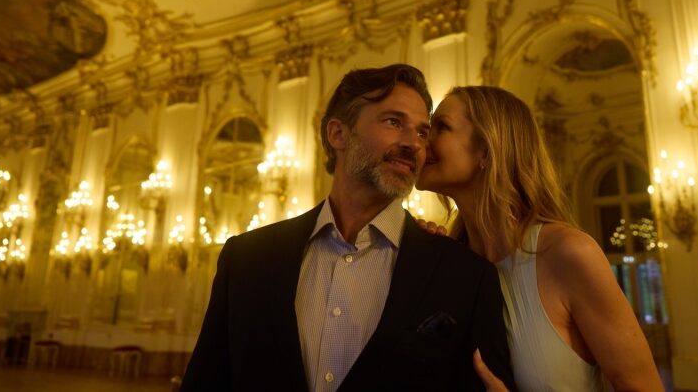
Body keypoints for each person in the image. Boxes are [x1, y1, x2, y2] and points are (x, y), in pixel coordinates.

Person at [180, 65, 515, 392]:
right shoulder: (247, 259)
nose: (413, 143)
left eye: (422, 131)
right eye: (394, 122)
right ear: (338, 134)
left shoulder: (466, 276)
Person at [417, 86, 664, 392]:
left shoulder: (568, 253)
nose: (422, 140)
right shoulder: (451, 261)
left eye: (441, 127)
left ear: (486, 150)